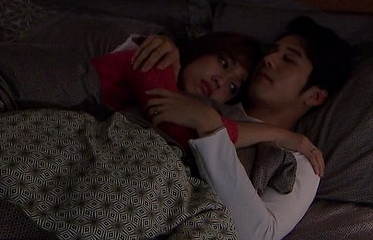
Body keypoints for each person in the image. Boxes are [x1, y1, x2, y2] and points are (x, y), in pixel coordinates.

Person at [134, 17, 354, 240]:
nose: (269, 60)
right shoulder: (213, 96)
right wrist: (164, 50)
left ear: (314, 96)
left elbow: (255, 236)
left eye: (288, 59)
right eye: (272, 51)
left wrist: (211, 130)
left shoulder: (301, 158)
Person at [90, 31, 261, 152]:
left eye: (232, 87)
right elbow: (190, 135)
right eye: (223, 63)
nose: (221, 81)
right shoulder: (159, 61)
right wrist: (273, 132)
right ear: (203, 50)